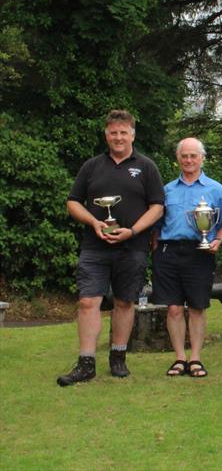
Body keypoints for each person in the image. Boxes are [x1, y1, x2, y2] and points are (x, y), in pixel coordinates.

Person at [58, 110, 165, 386]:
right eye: (113, 132)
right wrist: (94, 221)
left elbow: (157, 206)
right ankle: (86, 363)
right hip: (95, 246)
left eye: (123, 132)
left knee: (125, 301)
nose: (118, 137)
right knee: (87, 301)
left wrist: (134, 230)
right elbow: (73, 201)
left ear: (132, 134)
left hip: (133, 247)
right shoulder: (91, 166)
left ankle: (118, 357)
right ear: (106, 135)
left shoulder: (146, 166)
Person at [151, 138, 222, 378]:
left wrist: (218, 240)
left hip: (201, 252)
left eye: (193, 156)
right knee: (174, 308)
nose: (188, 160)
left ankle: (195, 358)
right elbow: (156, 223)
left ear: (202, 158)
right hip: (168, 252)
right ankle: (179, 358)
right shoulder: (166, 190)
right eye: (184, 156)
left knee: (197, 307)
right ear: (178, 159)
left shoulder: (216, 189)